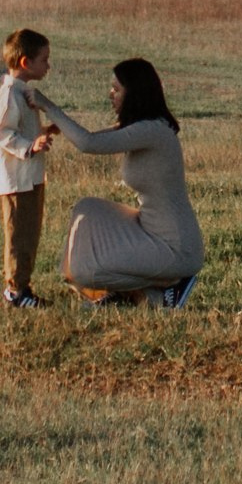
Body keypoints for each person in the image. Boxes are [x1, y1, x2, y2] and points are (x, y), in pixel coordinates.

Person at [31, 58, 204, 308]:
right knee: (87, 209)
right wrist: (56, 127)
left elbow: (89, 144)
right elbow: (90, 137)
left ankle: (170, 286)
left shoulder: (153, 131)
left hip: (176, 247)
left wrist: (46, 105)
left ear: (134, 93)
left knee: (84, 272)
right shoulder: (141, 128)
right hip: (149, 229)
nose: (110, 94)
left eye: (116, 89)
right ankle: (140, 293)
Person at [0, 27, 57, 309]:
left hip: (30, 177)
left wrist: (43, 132)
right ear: (26, 62)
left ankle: (24, 286)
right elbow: (4, 134)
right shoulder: (8, 95)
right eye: (44, 60)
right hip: (16, 180)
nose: (47, 66)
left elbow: (25, 129)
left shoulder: (24, 94)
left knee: (30, 232)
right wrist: (31, 146)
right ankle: (15, 291)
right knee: (18, 234)